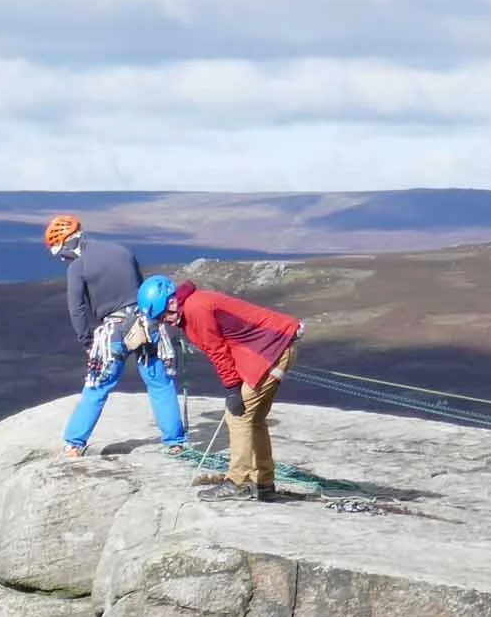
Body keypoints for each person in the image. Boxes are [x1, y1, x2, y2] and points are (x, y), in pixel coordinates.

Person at [136, 274, 302, 501]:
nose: (165, 321)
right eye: (160, 318)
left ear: (172, 301)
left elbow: (218, 351)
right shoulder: (193, 306)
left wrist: (232, 388)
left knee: (237, 416)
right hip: (276, 348)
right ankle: (263, 482)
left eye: (164, 315)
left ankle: (238, 482)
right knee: (254, 419)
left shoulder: (196, 309)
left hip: (272, 350)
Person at [42, 215, 187, 462]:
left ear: (67, 244)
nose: (64, 259)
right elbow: (144, 290)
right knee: (160, 383)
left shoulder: (78, 267)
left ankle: (74, 445)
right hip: (146, 325)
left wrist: (87, 342)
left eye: (62, 254)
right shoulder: (121, 251)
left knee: (97, 387)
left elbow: (76, 310)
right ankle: (175, 443)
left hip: (113, 331)